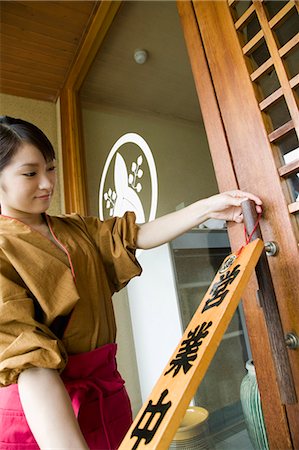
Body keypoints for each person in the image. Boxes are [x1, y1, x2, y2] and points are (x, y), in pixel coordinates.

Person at [0, 116, 262, 449]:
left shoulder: (73, 228)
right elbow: (30, 362)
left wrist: (207, 208)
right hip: (44, 416)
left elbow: (131, 235)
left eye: (50, 169)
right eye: (30, 173)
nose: (47, 183)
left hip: (106, 393)